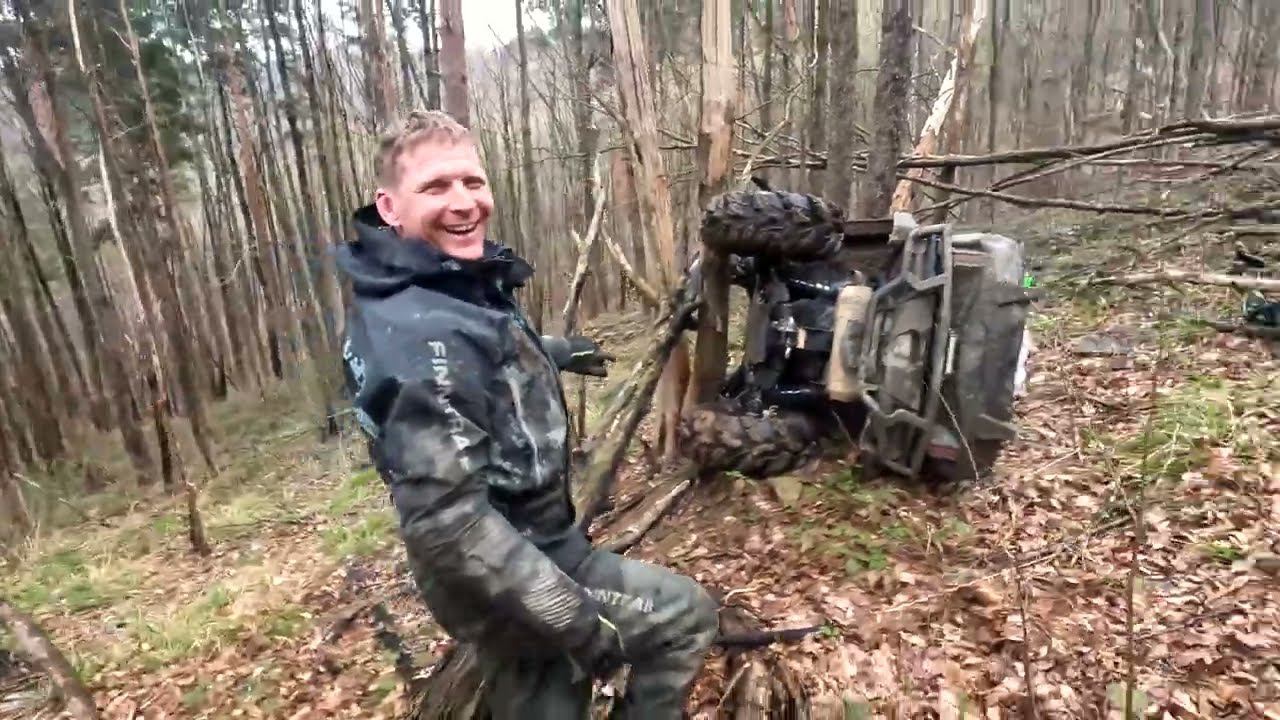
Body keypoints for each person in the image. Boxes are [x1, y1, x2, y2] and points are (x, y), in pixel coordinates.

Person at [336, 109, 719, 719]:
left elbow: (474, 364)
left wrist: (551, 353)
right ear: (390, 207)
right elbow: (448, 523)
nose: (464, 202)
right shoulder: (422, 335)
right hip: (507, 570)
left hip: (509, 556)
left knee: (542, 688)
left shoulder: (431, 287)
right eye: (435, 187)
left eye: (473, 181)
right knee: (682, 618)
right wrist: (572, 616)